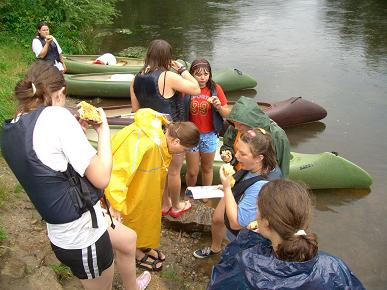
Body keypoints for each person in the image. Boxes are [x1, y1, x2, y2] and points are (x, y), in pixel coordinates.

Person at [1, 61, 150, 290]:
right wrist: (103, 132)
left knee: (128, 240)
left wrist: (76, 135)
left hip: (67, 230)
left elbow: (47, 165)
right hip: (83, 238)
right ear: (59, 93)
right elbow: (101, 178)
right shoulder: (57, 118)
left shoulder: (13, 126)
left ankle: (132, 287)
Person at [207, 179, 366, 289]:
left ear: (266, 221)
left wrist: (248, 238)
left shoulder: (245, 265)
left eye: (257, 209)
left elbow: (220, 277)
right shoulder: (333, 266)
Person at [104, 108, 200, 271]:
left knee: (145, 217)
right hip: (130, 191)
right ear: (176, 142)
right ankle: (135, 253)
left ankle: (142, 244)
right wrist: (116, 204)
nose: (183, 153)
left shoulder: (163, 138)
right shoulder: (145, 142)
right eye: (184, 150)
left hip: (144, 188)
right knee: (130, 219)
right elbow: (118, 172)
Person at [130, 39, 201, 218]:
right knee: (174, 171)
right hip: (173, 131)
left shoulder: (136, 78)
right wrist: (183, 70)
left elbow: (136, 110)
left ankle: (164, 204)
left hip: (151, 133)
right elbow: (196, 88)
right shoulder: (168, 77)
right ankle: (176, 206)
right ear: (167, 58)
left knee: (161, 170)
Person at [193, 128, 281, 259]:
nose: (237, 156)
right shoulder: (254, 165)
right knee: (217, 219)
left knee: (236, 252)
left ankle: (233, 256)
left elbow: (236, 223)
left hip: (247, 231)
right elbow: (244, 181)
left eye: (243, 154)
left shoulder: (262, 186)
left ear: (259, 158)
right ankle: (215, 248)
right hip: (237, 193)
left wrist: (227, 188)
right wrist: (227, 186)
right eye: (237, 150)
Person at [183, 59, 230, 201]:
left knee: (207, 168)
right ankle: (190, 194)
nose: (203, 78)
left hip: (209, 134)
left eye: (206, 74)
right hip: (191, 135)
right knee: (192, 171)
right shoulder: (187, 89)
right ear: (192, 75)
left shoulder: (215, 89)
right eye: (198, 74)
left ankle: (205, 196)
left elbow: (227, 114)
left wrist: (219, 107)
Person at [220, 96, 290, 177]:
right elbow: (227, 145)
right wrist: (229, 156)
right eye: (234, 122)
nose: (236, 127)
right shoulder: (235, 127)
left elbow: (283, 166)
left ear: (250, 122)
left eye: (240, 124)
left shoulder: (277, 135)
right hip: (240, 175)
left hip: (264, 180)